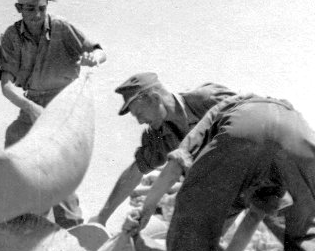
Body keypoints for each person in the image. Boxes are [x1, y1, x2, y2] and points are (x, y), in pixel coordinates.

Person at [124, 93, 315, 251]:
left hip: (244, 123)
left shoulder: (216, 113)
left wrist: (145, 211)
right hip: (299, 134)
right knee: (306, 223)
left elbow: (176, 163)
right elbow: (253, 218)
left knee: (194, 206)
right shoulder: (262, 182)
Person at [0, 0, 105, 229]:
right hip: (32, 103)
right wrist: (31, 108)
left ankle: (72, 227)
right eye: (29, 9)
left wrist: (93, 58)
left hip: (65, 102)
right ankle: (27, 221)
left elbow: (100, 51)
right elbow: (7, 86)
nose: (36, 15)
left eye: (41, 8)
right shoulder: (11, 37)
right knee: (15, 141)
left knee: (58, 161)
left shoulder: (61, 27)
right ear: (18, 8)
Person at [91, 73, 237, 226]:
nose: (140, 122)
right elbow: (136, 171)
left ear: (155, 98)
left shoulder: (206, 98)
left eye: (139, 113)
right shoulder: (160, 135)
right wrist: (102, 218)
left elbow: (253, 114)